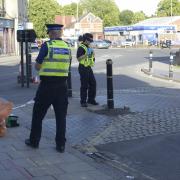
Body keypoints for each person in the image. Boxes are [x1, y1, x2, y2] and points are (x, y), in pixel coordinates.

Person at [25, 24, 71, 153]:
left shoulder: (47, 46)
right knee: (61, 117)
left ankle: (34, 141)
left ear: (51, 33)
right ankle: (60, 145)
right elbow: (68, 65)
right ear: (60, 33)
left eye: (48, 33)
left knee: (38, 115)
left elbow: (38, 66)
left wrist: (42, 66)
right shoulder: (67, 47)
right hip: (62, 86)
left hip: (47, 86)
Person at [76, 33, 98, 107]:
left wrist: (93, 55)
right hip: (83, 67)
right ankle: (83, 101)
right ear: (85, 40)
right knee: (84, 85)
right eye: (89, 41)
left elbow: (92, 57)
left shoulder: (88, 47)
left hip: (88, 67)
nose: (90, 42)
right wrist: (86, 54)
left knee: (93, 83)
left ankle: (91, 99)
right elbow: (78, 58)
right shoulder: (81, 47)